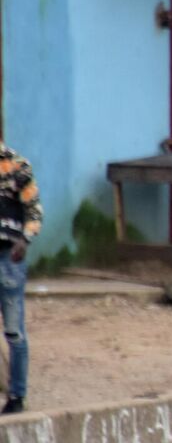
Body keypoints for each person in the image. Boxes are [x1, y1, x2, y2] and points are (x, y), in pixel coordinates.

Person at [0, 142, 38, 414]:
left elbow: (35, 212)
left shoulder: (17, 166)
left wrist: (24, 240)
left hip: (8, 257)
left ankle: (17, 396)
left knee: (14, 331)